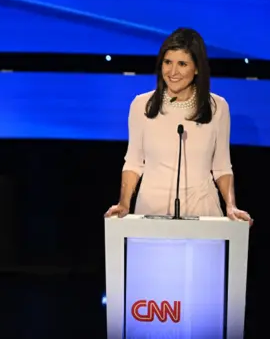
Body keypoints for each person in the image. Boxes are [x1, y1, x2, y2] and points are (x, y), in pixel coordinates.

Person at [104, 28, 251, 222]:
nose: (173, 72)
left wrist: (231, 206)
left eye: (182, 64)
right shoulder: (141, 105)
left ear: (197, 68)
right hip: (151, 211)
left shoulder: (217, 108)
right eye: (167, 62)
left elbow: (222, 167)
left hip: (203, 211)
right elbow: (133, 163)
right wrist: (124, 204)